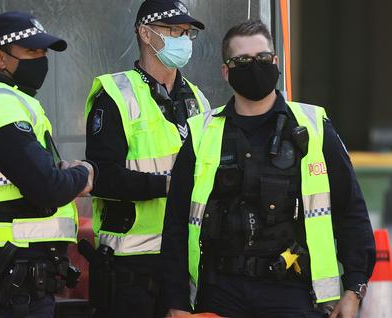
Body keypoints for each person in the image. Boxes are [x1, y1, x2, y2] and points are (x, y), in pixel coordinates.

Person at [161, 19, 376, 318]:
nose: (254, 66)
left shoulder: (312, 127)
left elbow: (350, 210)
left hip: (293, 294)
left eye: (262, 58)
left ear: (275, 63)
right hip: (219, 293)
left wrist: (354, 289)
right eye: (242, 61)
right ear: (226, 71)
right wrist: (176, 301)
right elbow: (174, 225)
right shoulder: (202, 133)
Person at [0, 11, 94, 318]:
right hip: (6, 282)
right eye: (31, 52)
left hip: (21, 278)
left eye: (43, 52)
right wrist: (84, 173)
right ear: (0, 58)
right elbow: (48, 187)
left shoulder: (14, 102)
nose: (40, 60)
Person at [83, 0, 210, 318]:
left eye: (186, 33)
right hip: (131, 265)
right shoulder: (115, 95)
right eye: (172, 30)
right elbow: (102, 177)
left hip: (186, 257)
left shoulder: (197, 99)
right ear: (145, 33)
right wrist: (168, 185)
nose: (182, 39)